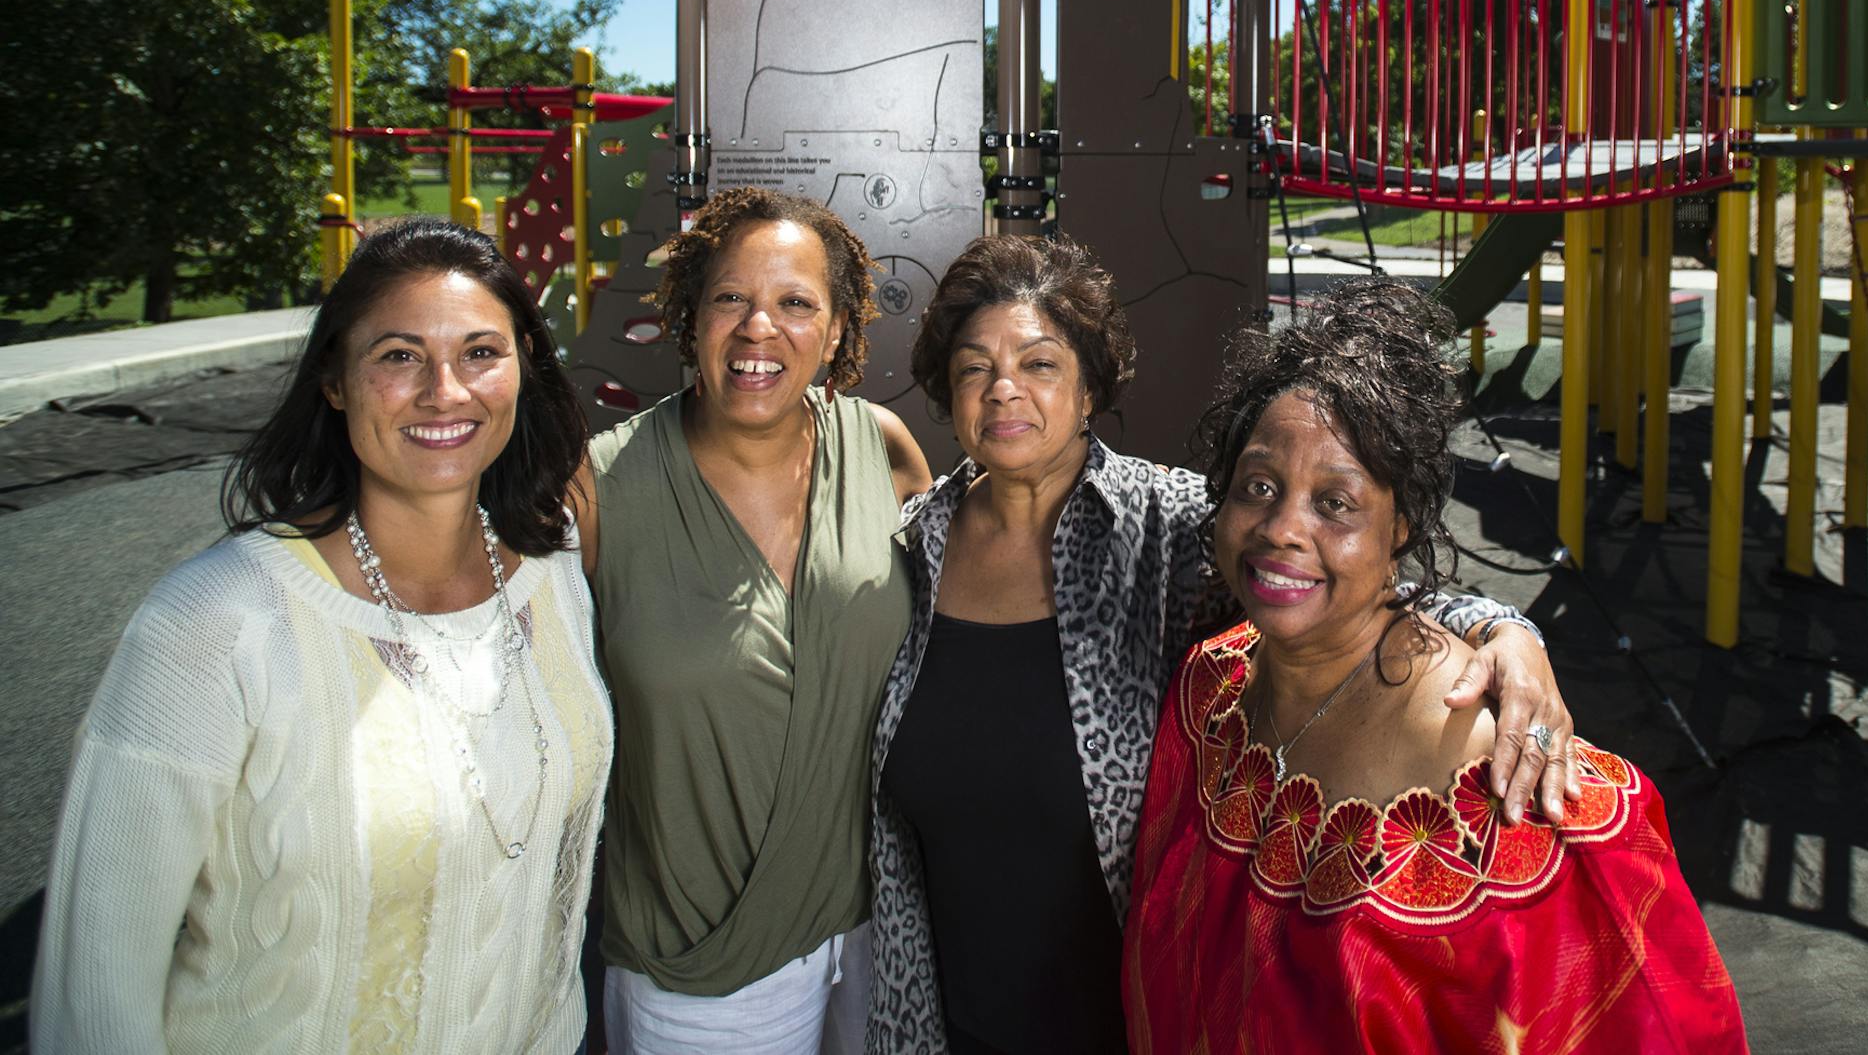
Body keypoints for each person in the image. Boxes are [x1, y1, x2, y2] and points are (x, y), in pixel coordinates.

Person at [866, 236, 1580, 1055]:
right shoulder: (911, 547)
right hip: (940, 1019)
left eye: (1039, 363)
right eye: (973, 366)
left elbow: (1337, 584)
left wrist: (1506, 630)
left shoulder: (1167, 528)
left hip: (1135, 1020)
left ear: (1091, 385)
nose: (1003, 389)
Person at [33, 216, 611, 1054]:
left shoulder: (551, 572)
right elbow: (96, 990)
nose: (445, 390)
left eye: (481, 351)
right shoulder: (214, 623)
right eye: (399, 355)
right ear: (334, 379)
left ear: (524, 363)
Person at [1123, 280, 1749, 1053]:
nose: (1281, 526)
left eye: (1336, 502)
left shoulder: (1509, 784)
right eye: (1259, 486)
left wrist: (1507, 628)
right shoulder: (1212, 690)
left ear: (1402, 525)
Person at [576, 187, 933, 1054]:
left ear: (843, 328)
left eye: (795, 303)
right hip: (698, 966)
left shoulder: (881, 449)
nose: (757, 329)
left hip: (875, 929)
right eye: (731, 297)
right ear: (689, 314)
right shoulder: (599, 490)